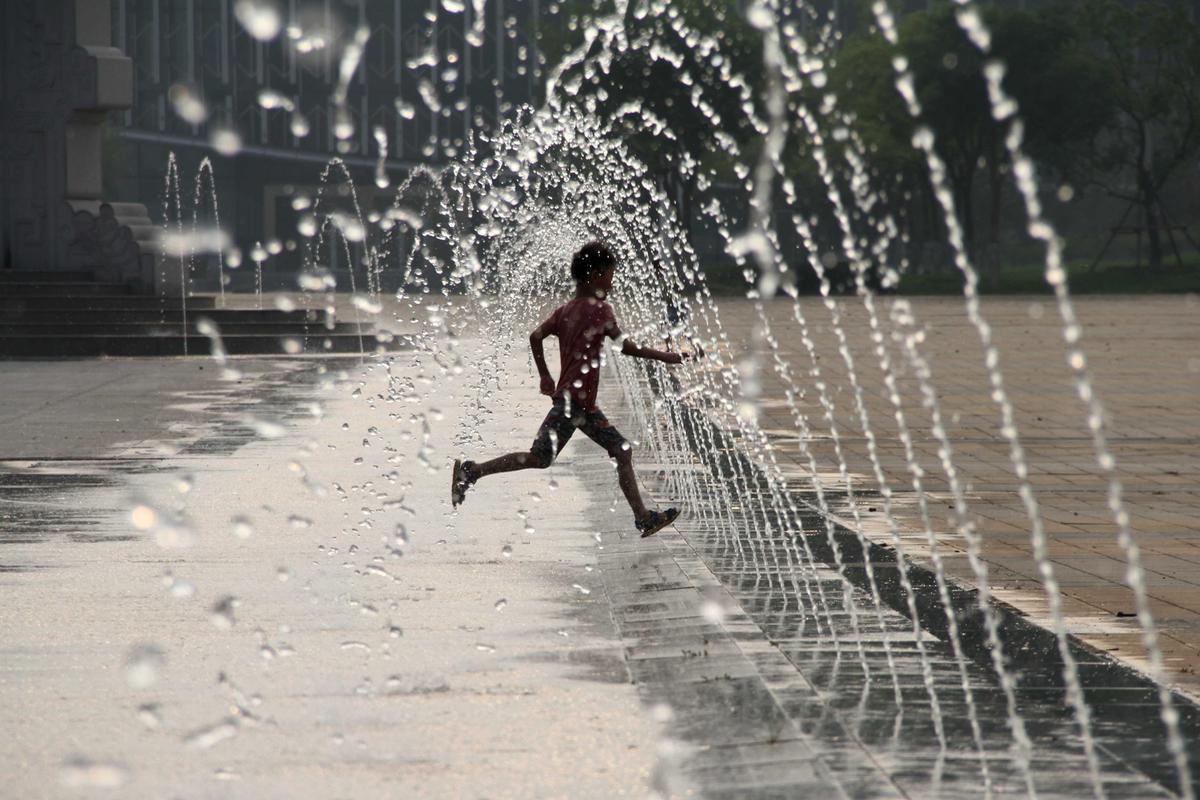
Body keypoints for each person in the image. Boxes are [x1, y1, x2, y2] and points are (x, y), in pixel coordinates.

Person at [451, 241, 691, 538]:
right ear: (593, 275)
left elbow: (535, 336)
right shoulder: (600, 310)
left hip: (578, 404)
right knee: (549, 457)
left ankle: (643, 517)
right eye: (608, 275)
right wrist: (665, 356)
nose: (611, 282)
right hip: (574, 405)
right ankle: (471, 472)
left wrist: (545, 377)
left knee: (611, 451)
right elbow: (627, 347)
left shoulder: (564, 310)